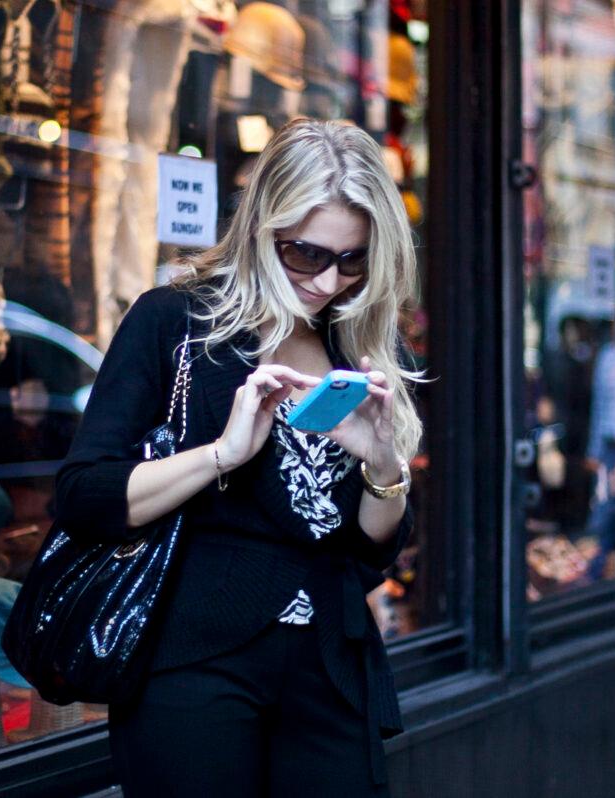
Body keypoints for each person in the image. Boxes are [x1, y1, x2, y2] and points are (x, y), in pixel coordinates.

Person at [54, 118, 423, 797]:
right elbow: (86, 494)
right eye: (306, 253)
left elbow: (373, 551)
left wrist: (381, 467)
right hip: (193, 659)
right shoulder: (177, 323)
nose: (328, 280)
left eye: (353, 260)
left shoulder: (360, 345)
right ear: (262, 226)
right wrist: (222, 454)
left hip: (329, 667)